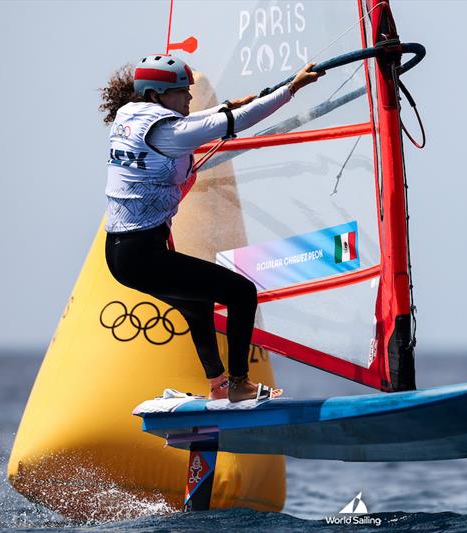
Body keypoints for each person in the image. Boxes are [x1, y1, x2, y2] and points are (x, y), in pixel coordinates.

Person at [99, 55, 322, 402]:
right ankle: (238, 384)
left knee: (197, 303)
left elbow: (204, 119)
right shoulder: (170, 134)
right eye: (180, 93)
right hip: (144, 254)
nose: (189, 98)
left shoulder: (128, 117)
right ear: (157, 95)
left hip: (117, 255)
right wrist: (291, 88)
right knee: (242, 292)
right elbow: (238, 122)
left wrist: (229, 105)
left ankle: (218, 384)